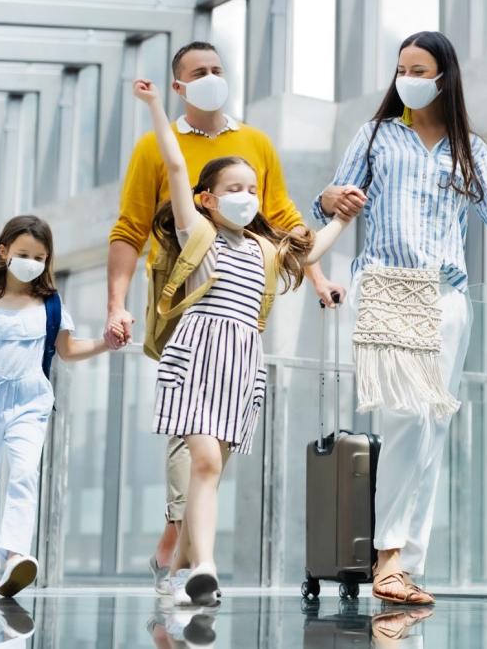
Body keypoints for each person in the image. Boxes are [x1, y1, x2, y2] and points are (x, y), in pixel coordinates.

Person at [313, 31, 487, 605]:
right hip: (387, 284)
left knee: (431, 427)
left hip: (447, 297)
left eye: (419, 68)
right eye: (400, 67)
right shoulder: (377, 135)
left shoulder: (469, 149)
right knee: (408, 415)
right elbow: (330, 199)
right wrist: (333, 197)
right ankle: (387, 557)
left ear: (443, 78)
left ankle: (405, 564)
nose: (406, 76)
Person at [105, 41, 345, 595]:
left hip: (242, 353)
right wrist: (116, 305)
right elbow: (132, 224)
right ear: (179, 84)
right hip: (189, 322)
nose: (212, 77)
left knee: (214, 464)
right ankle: (192, 557)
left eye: (218, 68)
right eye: (198, 72)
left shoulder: (256, 161)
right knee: (198, 453)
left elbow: (292, 233)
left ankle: (182, 558)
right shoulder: (187, 209)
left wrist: (326, 258)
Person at [132, 76, 313, 606]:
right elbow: (174, 167)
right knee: (204, 464)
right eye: (234, 190)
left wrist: (342, 218)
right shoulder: (199, 232)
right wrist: (157, 108)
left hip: (241, 364)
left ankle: (183, 573)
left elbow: (308, 250)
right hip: (199, 354)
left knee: (209, 477)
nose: (247, 198)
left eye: (252, 190)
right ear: (207, 199)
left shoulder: (264, 249)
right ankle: (204, 565)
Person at [0, 215, 112, 597]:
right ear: (4, 252)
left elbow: (67, 351)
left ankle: (14, 556)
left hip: (30, 401)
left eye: (39, 256)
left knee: (23, 475)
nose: (31, 261)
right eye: (23, 253)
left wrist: (105, 343)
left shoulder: (51, 304)